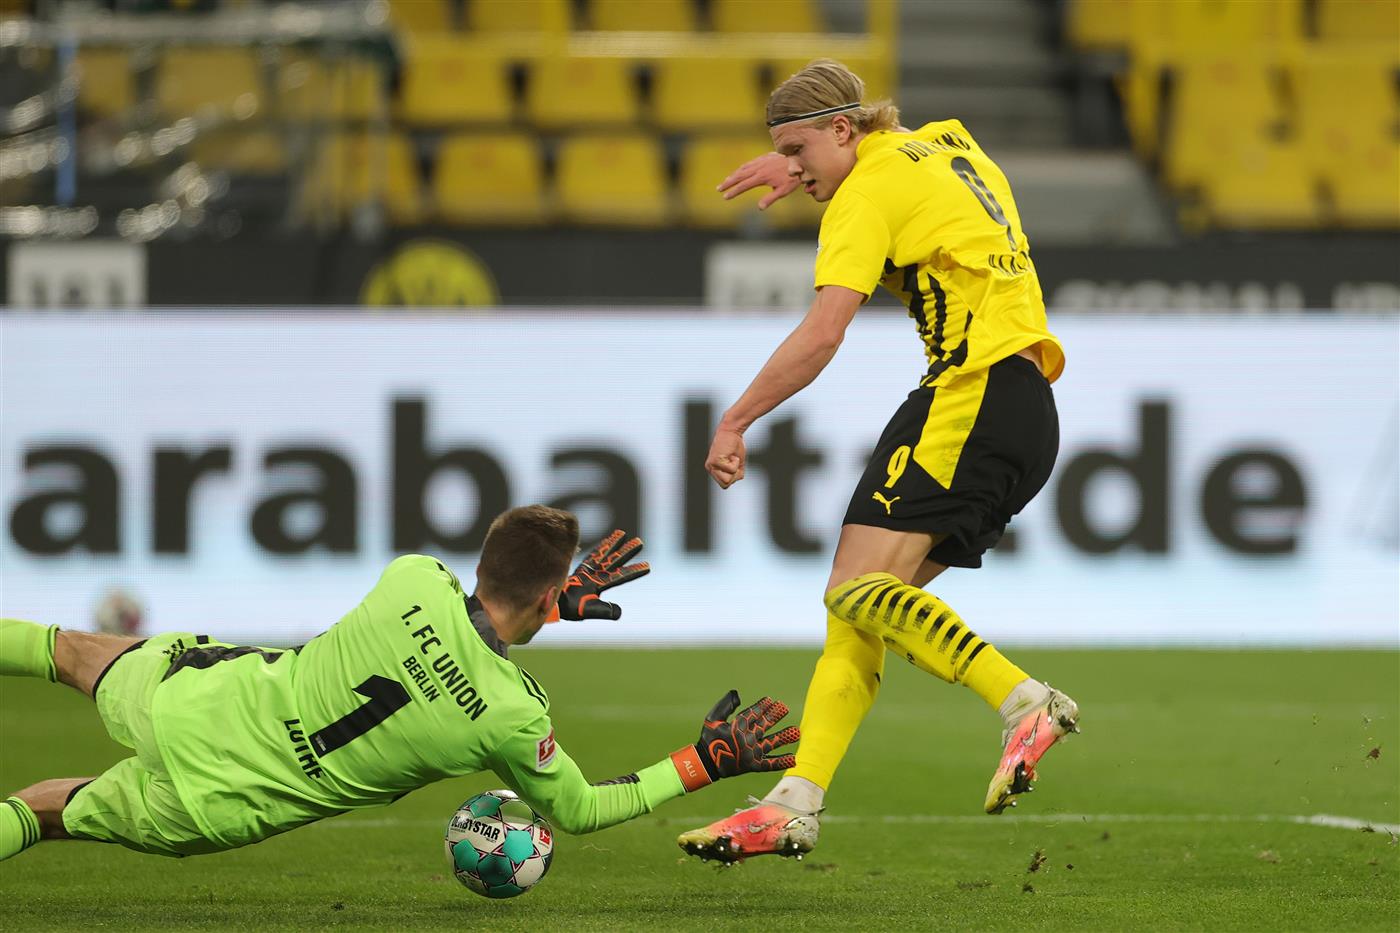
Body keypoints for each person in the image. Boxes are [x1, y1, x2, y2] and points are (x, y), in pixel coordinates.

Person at [677, 60, 1081, 863]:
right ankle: (793, 804)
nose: (794, 170)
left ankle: (1024, 700)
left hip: (968, 394)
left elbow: (824, 332)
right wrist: (802, 164)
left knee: (853, 591)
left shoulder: (862, 196)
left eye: (798, 150)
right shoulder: (947, 145)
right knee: (857, 610)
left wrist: (736, 418)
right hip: (1028, 404)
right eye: (782, 155)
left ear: (842, 129)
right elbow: (901, 167)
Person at [0, 506, 798, 861]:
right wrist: (704, 760)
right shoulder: (511, 717)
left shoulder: (412, 577)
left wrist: (553, 600)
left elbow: (477, 609)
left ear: (480, 561)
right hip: (226, 803)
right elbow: (583, 809)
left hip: (201, 703)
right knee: (43, 810)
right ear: (551, 595)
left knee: (62, 648)